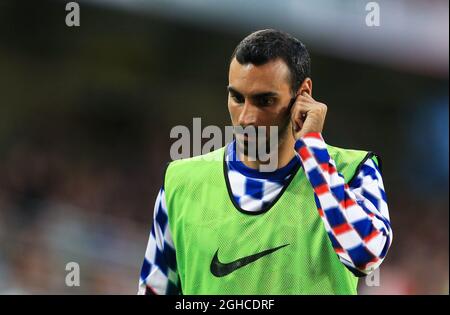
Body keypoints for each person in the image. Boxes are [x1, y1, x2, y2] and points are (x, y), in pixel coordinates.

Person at [137, 29, 393, 295]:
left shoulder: (352, 171)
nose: (246, 118)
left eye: (265, 101)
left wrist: (314, 151)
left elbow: (366, 255)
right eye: (237, 98)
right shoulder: (181, 182)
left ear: (303, 93)